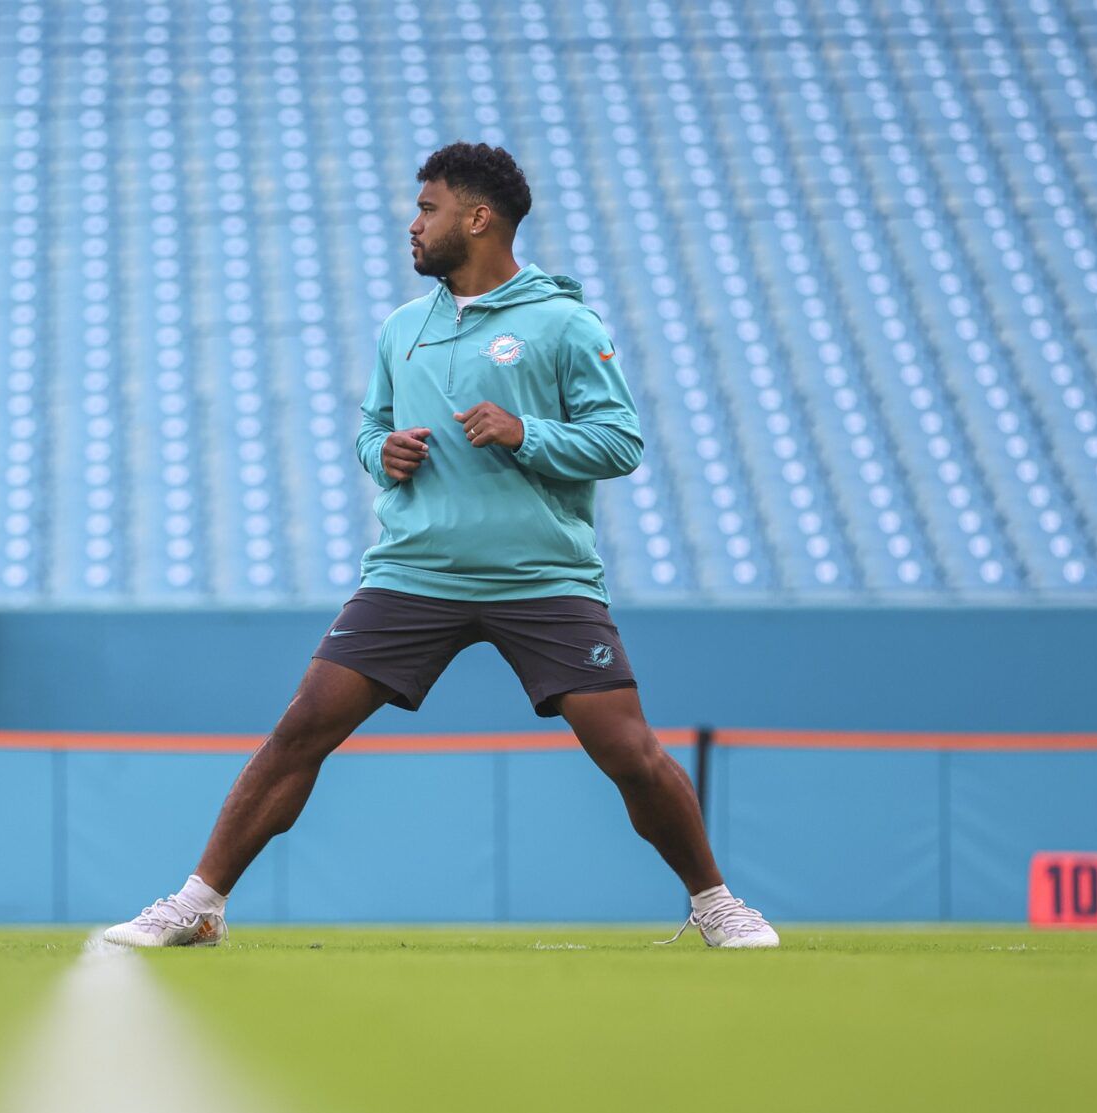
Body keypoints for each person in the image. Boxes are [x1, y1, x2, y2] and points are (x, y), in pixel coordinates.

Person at [105, 143, 778, 950]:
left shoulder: (565, 323)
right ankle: (199, 904)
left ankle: (716, 905)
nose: (414, 225)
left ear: (478, 217)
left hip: (541, 576)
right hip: (414, 573)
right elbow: (368, 427)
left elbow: (620, 442)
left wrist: (526, 433)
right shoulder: (402, 328)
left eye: (428, 208)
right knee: (303, 727)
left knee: (629, 752)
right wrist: (379, 453)